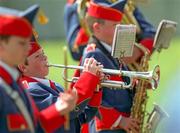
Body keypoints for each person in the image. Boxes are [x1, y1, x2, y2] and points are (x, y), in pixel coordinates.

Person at [0, 14, 78, 133]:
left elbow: (34, 126)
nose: (27, 48)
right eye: (21, 43)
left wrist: (58, 109)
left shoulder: (13, 81)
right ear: (2, 46)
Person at [79, 1, 142, 133]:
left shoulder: (111, 50)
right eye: (115, 25)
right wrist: (119, 120)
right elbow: (89, 95)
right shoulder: (94, 53)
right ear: (97, 28)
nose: (120, 29)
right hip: (107, 127)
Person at [18, 41, 103, 132]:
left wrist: (94, 86)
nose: (45, 57)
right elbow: (67, 111)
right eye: (37, 56)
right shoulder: (30, 90)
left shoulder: (55, 86)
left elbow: (82, 116)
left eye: (43, 53)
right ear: (23, 67)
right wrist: (88, 78)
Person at [64, 0, 155, 61]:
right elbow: (75, 52)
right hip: (99, 68)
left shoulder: (123, 2)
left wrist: (137, 52)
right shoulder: (76, 5)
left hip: (130, 69)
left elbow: (150, 32)